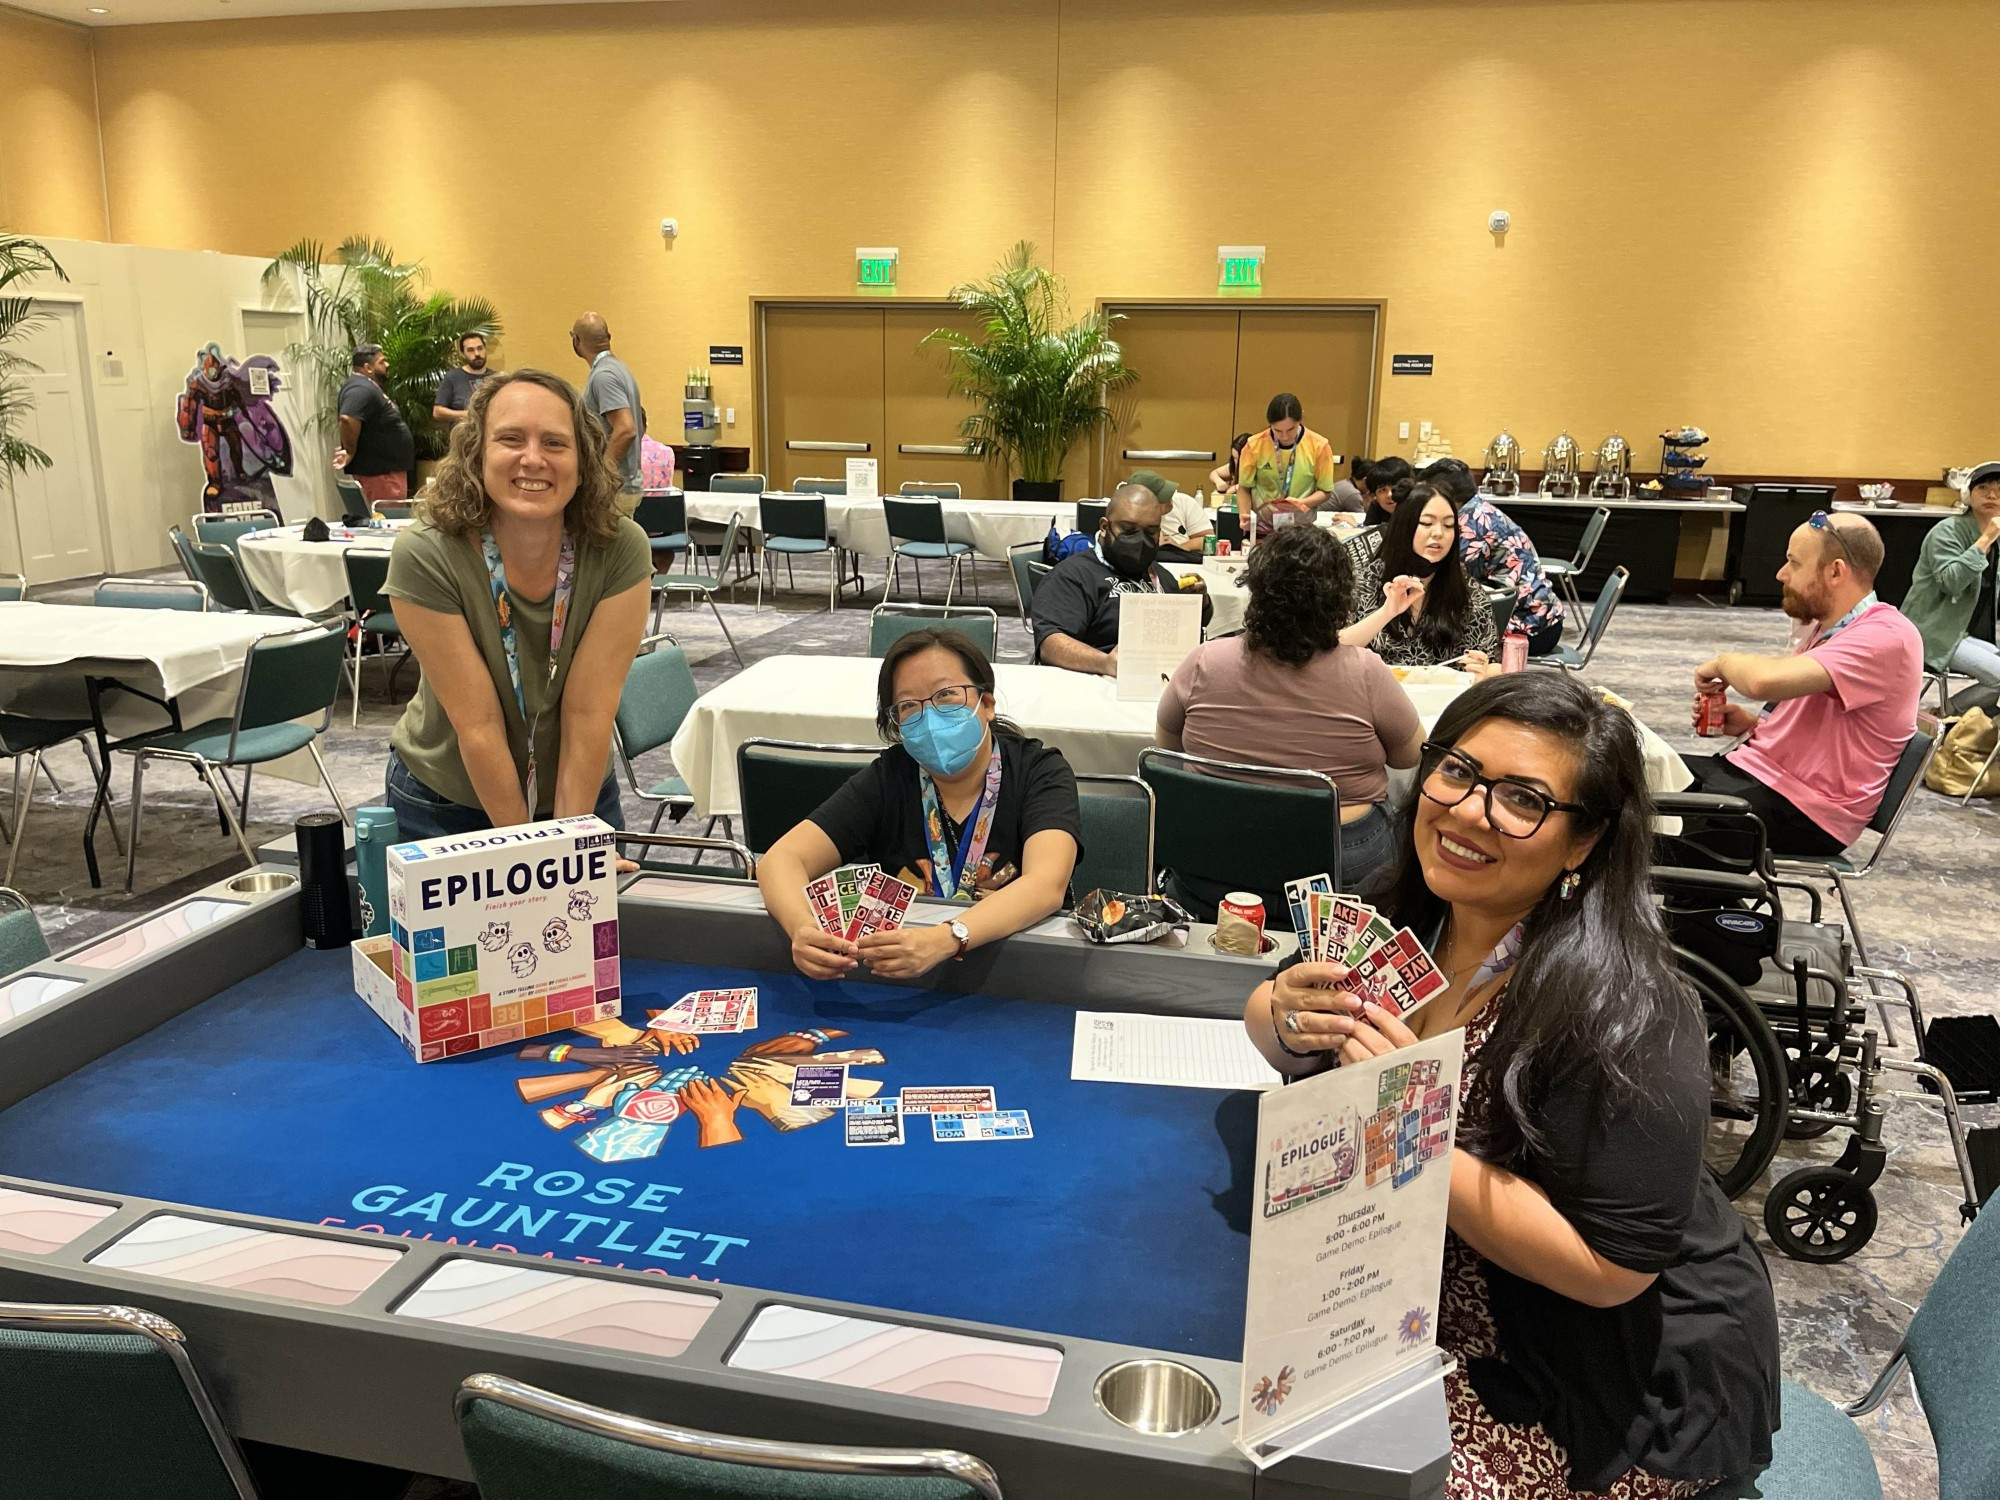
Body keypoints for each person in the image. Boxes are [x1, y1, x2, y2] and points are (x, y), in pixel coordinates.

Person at [1245, 672, 1779, 1499]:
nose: (1467, 811)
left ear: (1584, 841)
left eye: (1522, 799)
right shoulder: (1409, 917)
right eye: (1456, 770)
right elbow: (1276, 1025)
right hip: (1406, 1297)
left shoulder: (1628, 1009)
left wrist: (1403, 1125)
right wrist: (1282, 1013)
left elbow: (1611, 1268)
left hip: (1588, 1371)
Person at [382, 368, 651, 839]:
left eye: (554, 443)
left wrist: (568, 846)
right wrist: (529, 856)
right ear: (477, 452)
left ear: (583, 459)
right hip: (448, 803)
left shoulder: (619, 547)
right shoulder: (427, 553)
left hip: (581, 798)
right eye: (510, 439)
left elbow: (588, 713)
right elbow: (479, 725)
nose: (533, 459)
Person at [756, 629, 1082, 981]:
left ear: (986, 704)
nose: (930, 717)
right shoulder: (890, 778)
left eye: (946, 695)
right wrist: (802, 927)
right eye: (910, 706)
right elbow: (781, 859)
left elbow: (1046, 884)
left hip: (1025, 969)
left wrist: (947, 938)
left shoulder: (1040, 771)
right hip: (908, 976)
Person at [1157, 524, 1421, 901]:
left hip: (1212, 861)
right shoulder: (1365, 672)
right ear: (1341, 600)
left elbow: (1168, 747)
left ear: (1256, 591)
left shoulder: (1204, 662)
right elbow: (1410, 756)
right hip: (1338, 870)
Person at [1681, 511, 1921, 859]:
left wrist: (1722, 662)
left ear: (1835, 571)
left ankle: (1701, 909)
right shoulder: (1829, 626)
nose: (1781, 573)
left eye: (1794, 563)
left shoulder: (1886, 636)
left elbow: (1763, 682)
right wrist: (1754, 725)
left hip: (1806, 813)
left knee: (1642, 827)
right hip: (1764, 778)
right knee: (1631, 773)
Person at [1033, 483, 1211, 674]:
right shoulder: (1073, 575)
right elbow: (1050, 644)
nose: (1140, 540)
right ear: (1104, 527)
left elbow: (1197, 624)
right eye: (1128, 529)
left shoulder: (1159, 575)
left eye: (1150, 532)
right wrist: (1105, 663)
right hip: (1098, 681)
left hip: (1163, 680)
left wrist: (1201, 602)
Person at [1344, 482, 1501, 672]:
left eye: (1449, 525)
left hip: (1443, 698)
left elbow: (1491, 661)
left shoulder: (1468, 592)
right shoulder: (1365, 582)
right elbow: (1334, 651)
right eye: (1426, 523)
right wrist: (1386, 613)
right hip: (1373, 696)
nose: (1438, 533)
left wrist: (1483, 670)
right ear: (1405, 526)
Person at [1424, 458, 1565, 655]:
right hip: (1543, 617)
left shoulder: (1472, 526)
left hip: (1530, 627)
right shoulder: (1478, 510)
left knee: (1435, 637)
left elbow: (1446, 580)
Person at [1902, 460, 2000, 712]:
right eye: (1984, 488)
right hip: (1930, 632)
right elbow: (1951, 581)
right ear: (1969, 495)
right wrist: (1985, 539)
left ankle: (1971, 727)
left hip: (1960, 632)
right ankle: (1940, 717)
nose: (1992, 495)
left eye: (1999, 490)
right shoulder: (1946, 533)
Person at [570, 312, 644, 501]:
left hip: (616, 491)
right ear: (608, 338)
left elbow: (626, 429)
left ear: (576, 341)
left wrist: (602, 476)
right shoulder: (620, 369)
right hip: (624, 486)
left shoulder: (603, 376)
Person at [1235, 394, 1337, 525]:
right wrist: (1244, 515)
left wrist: (1302, 503)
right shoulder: (1254, 445)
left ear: (1300, 420)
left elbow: (1325, 491)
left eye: (1291, 429)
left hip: (1301, 526)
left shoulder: (1319, 446)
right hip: (1263, 525)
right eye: (1277, 430)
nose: (1284, 436)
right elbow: (1244, 488)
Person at [335, 343, 414, 506]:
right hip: (381, 476)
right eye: (382, 362)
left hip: (384, 474)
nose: (387, 365)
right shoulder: (360, 388)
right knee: (389, 524)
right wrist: (349, 450)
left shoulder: (364, 385)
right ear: (367, 367)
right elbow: (347, 419)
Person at [1128, 468, 1212, 559]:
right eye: (1162, 496)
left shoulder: (1185, 503)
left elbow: (1208, 539)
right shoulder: (1128, 516)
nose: (1170, 498)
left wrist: (1178, 548)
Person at [432, 332, 494, 431]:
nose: (477, 354)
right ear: (462, 354)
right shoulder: (453, 377)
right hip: (463, 438)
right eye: (470, 350)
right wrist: (467, 415)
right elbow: (437, 412)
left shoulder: (496, 378)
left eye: (480, 348)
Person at [1361, 457, 1413, 527]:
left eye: (1396, 486)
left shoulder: (1421, 512)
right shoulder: (1376, 509)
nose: (1390, 495)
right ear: (1375, 496)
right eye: (1382, 490)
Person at [1208, 432, 1251, 499]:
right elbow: (1214, 473)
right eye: (1234, 458)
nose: (1235, 462)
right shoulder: (1234, 466)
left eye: (1238, 459)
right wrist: (1218, 480)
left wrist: (1235, 488)